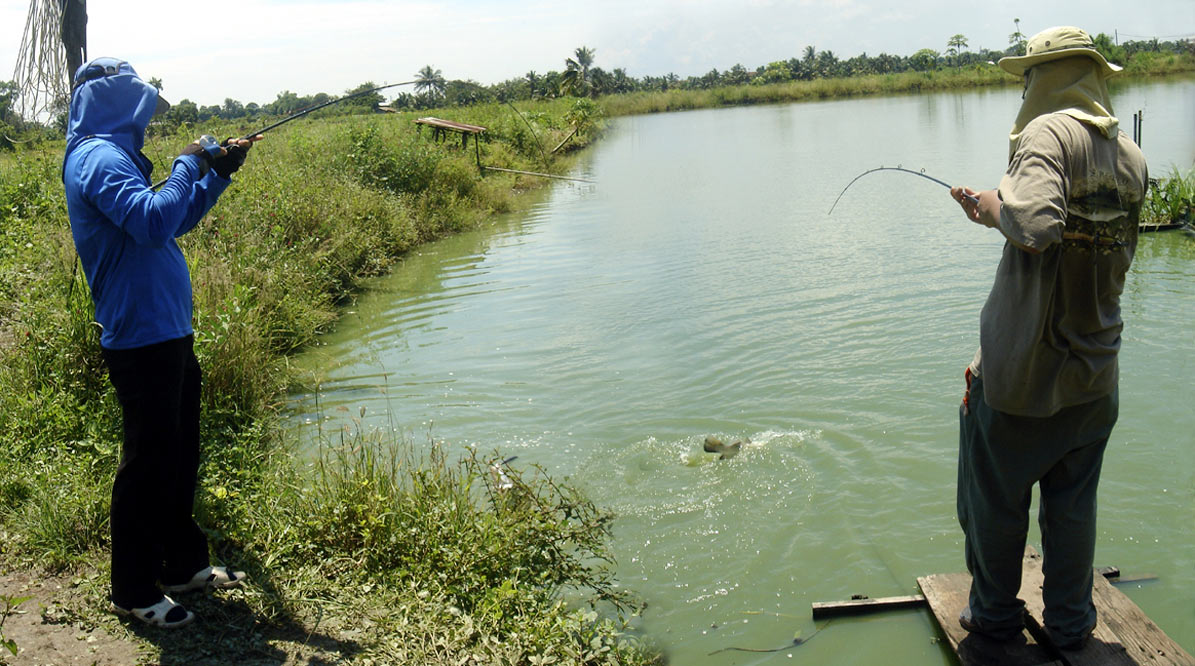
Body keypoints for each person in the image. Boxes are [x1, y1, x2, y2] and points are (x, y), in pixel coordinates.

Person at [949, 26, 1147, 650]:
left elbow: (1034, 226)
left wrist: (987, 205)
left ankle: (996, 618)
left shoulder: (1047, 134)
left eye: (1029, 76)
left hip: (1021, 382)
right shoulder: (1131, 155)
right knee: (1072, 510)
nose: (1027, 88)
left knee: (994, 509)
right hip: (1094, 377)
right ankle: (1069, 626)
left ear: (1048, 75)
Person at [63, 57, 259, 628]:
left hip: (167, 328)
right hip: (140, 336)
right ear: (117, 102)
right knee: (147, 462)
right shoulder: (98, 159)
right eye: (143, 108)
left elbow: (171, 219)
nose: (148, 120)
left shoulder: (116, 157)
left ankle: (181, 565)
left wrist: (216, 174)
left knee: (177, 453)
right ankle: (131, 587)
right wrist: (184, 164)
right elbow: (152, 219)